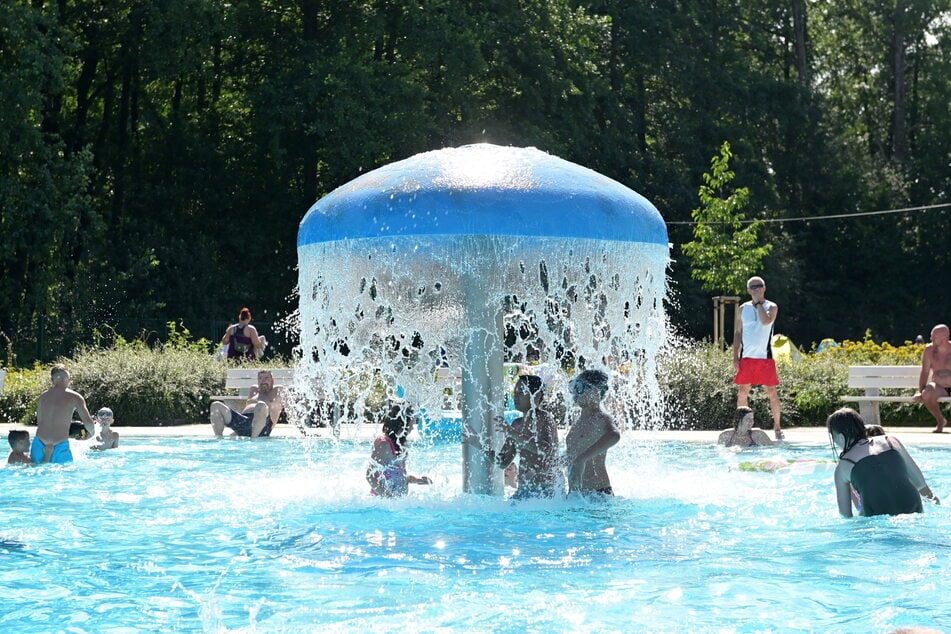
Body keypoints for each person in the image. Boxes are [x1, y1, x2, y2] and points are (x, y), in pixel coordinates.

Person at [827, 407, 939, 517]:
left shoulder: (842, 466)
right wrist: (935, 502)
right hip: (913, 504)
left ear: (841, 437)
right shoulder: (891, 441)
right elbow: (921, 484)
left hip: (877, 515)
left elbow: (845, 515)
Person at [465, 375, 560, 499]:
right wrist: (479, 444)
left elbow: (544, 450)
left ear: (536, 396)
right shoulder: (517, 424)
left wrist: (512, 432)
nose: (516, 396)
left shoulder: (544, 419)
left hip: (545, 491)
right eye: (515, 392)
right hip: (524, 491)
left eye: (521, 392)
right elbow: (502, 462)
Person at [733, 275, 783, 440]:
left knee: (771, 392)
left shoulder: (771, 307)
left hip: (765, 358)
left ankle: (777, 426)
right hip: (747, 357)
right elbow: (738, 333)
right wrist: (735, 356)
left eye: (759, 286)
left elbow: (765, 321)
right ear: (748, 290)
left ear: (764, 287)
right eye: (753, 287)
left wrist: (759, 304)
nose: (756, 289)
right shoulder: (742, 309)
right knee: (742, 391)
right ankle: (742, 425)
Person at [565, 369, 621, 496]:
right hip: (577, 494)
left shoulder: (601, 418)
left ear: (595, 392)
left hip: (598, 493)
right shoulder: (578, 421)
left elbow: (614, 435)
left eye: (579, 388)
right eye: (573, 387)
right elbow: (573, 453)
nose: (575, 393)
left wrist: (582, 459)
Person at [33, 364, 97, 464]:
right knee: (67, 475)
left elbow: (39, 421)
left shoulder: (43, 396)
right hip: (60, 445)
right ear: (70, 379)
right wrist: (90, 435)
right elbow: (88, 422)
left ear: (52, 380)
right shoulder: (75, 397)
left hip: (39, 443)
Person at [366, 402, 432, 497]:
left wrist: (417, 480)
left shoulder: (399, 446)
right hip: (381, 503)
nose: (413, 428)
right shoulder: (384, 444)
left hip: (397, 503)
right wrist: (389, 498)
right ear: (402, 424)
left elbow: (398, 475)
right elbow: (370, 476)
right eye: (411, 424)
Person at [209, 369, 285, 439]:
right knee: (215, 405)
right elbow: (247, 408)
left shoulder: (277, 391)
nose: (263, 381)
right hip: (243, 421)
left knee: (261, 405)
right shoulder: (254, 390)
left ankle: (253, 440)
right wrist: (239, 430)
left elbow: (288, 402)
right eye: (260, 378)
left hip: (263, 426)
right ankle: (219, 439)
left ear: (272, 380)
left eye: (266, 378)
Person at [913, 323, 951, 433]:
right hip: (939, 387)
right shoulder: (929, 350)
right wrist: (921, 391)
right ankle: (940, 420)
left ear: (944, 337)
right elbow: (925, 372)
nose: (931, 338)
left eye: (934, 336)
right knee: (927, 393)